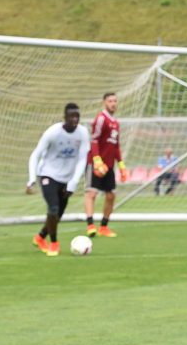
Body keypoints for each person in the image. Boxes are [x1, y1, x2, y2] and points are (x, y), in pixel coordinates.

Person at [26, 103, 91, 257]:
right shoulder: (53, 132)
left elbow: (83, 159)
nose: (75, 119)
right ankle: (54, 243)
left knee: (58, 215)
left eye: (77, 116)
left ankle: (40, 237)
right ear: (65, 117)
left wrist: (73, 182)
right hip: (48, 174)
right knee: (53, 208)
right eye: (71, 116)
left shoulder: (82, 133)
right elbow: (35, 155)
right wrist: (31, 179)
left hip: (66, 179)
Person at [84, 91, 127, 237]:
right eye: (110, 101)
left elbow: (116, 146)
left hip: (109, 165)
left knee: (111, 195)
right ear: (104, 102)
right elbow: (94, 140)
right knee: (92, 192)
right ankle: (90, 225)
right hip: (96, 163)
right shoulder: (101, 119)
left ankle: (104, 227)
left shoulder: (115, 123)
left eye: (115, 101)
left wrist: (121, 165)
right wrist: (96, 160)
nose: (113, 104)